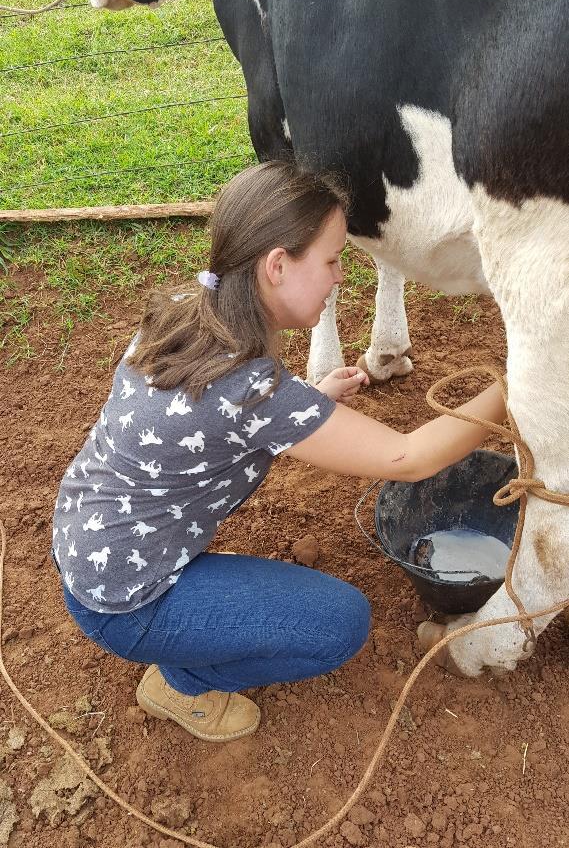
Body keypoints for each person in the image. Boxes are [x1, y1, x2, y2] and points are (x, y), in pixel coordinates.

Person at [52, 160, 506, 743]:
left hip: (87, 541)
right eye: (333, 260)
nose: (340, 277)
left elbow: (219, 420)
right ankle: (182, 682)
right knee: (341, 625)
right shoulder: (252, 389)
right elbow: (409, 459)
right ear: (276, 266)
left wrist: (312, 402)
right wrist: (521, 377)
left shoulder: (183, 309)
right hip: (127, 601)